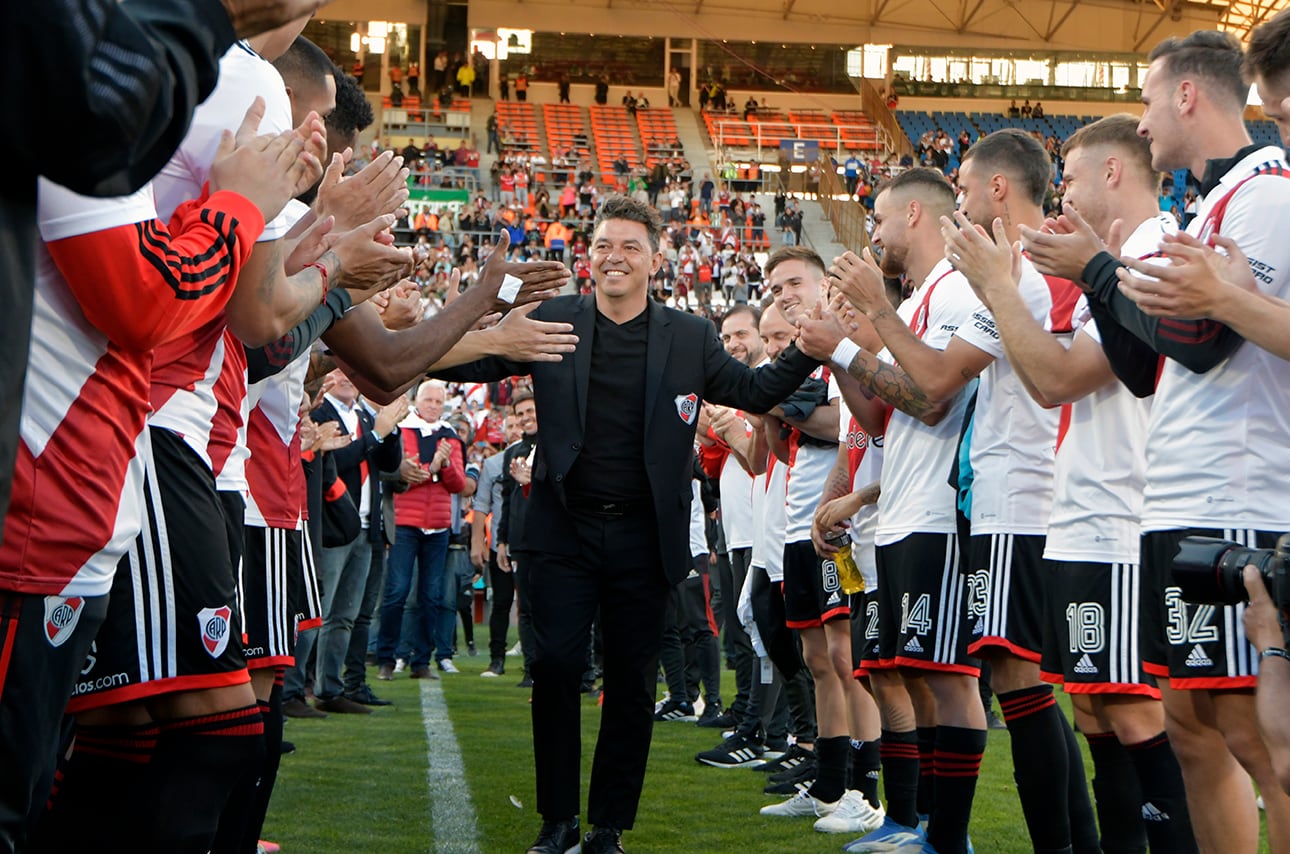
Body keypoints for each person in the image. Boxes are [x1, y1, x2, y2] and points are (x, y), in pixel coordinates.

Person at [434, 196, 826, 854]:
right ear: (588, 256)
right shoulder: (554, 319)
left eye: (630, 246)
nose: (614, 256)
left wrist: (813, 349)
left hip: (644, 537)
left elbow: (755, 394)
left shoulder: (689, 336)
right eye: (604, 245)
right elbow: (465, 360)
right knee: (556, 668)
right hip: (561, 529)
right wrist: (484, 298)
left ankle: (606, 826)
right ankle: (556, 820)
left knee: (632, 681)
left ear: (655, 259)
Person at [1019, 28, 1290, 853]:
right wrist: (1098, 270)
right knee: (1192, 727)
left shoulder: (1265, 194)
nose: (1140, 123)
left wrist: (1100, 273)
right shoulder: (1207, 206)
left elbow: (1212, 342)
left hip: (1237, 495)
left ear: (1185, 96)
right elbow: (1146, 366)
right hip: (1176, 498)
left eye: (1144, 99)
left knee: (1256, 739)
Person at [944, 114, 1200, 852]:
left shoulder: (1148, 249)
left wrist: (998, 290)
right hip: (1080, 513)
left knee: (1134, 714)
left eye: (1073, 179)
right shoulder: (1105, 258)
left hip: (1120, 514)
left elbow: (1056, 381)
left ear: (1114, 174)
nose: (1061, 196)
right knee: (1094, 709)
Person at [0, 0, 328, 546]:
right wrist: (246, 211)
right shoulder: (245, 78)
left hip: (96, 462)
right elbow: (148, 298)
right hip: (64, 473)